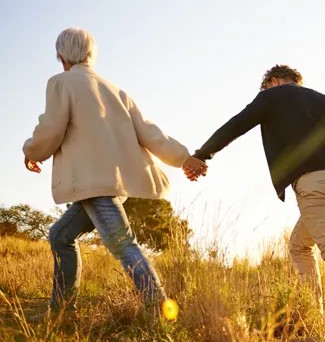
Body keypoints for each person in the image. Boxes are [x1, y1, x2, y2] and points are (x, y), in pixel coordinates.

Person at [187, 64, 325, 329]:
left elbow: (235, 126)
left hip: (313, 183)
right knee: (299, 246)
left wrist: (202, 155)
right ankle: (313, 318)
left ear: (273, 81)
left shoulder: (271, 97)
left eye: (266, 87)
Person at [22, 27, 205, 318]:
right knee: (60, 236)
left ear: (61, 56)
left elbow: (51, 128)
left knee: (123, 244)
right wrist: (184, 158)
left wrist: (31, 151)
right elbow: (150, 132)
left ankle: (159, 311)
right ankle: (62, 311)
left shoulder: (61, 82)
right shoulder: (116, 90)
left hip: (93, 184)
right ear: (90, 54)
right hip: (113, 184)